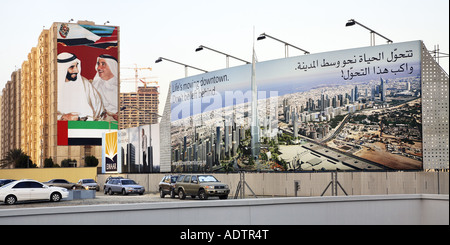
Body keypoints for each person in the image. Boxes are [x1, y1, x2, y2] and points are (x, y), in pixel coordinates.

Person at [57, 52, 104, 121]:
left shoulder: (85, 83)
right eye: (72, 67)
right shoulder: (51, 87)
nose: (77, 70)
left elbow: (99, 109)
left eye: (77, 66)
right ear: (62, 69)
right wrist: (62, 117)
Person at [92, 54, 119, 121]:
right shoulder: (94, 85)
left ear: (112, 67)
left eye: (103, 64)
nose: (98, 68)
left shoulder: (122, 86)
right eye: (98, 64)